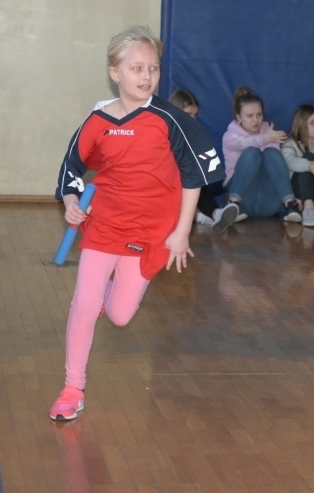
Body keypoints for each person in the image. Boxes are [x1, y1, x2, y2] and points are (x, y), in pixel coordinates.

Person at [49, 25, 226, 420]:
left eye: (154, 69)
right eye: (136, 68)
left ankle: (100, 300)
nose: (146, 77)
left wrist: (181, 233)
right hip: (105, 224)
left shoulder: (169, 119)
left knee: (120, 315)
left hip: (151, 233)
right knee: (83, 304)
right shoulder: (97, 119)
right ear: (115, 72)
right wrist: (72, 200)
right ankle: (72, 388)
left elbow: (195, 174)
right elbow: (71, 168)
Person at [222, 87, 302, 222]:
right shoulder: (229, 136)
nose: (256, 120)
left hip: (268, 203)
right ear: (238, 117)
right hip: (242, 201)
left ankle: (290, 204)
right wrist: (265, 139)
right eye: (249, 116)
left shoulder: (269, 132)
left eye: (259, 115)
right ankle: (233, 203)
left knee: (272, 153)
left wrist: (295, 195)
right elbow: (247, 143)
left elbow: (278, 168)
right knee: (252, 152)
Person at [168, 89, 239, 232]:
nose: (192, 119)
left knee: (198, 176)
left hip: (184, 190)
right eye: (188, 115)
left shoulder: (191, 136)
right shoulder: (163, 133)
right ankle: (202, 215)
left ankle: (213, 213)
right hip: (163, 191)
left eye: (195, 115)